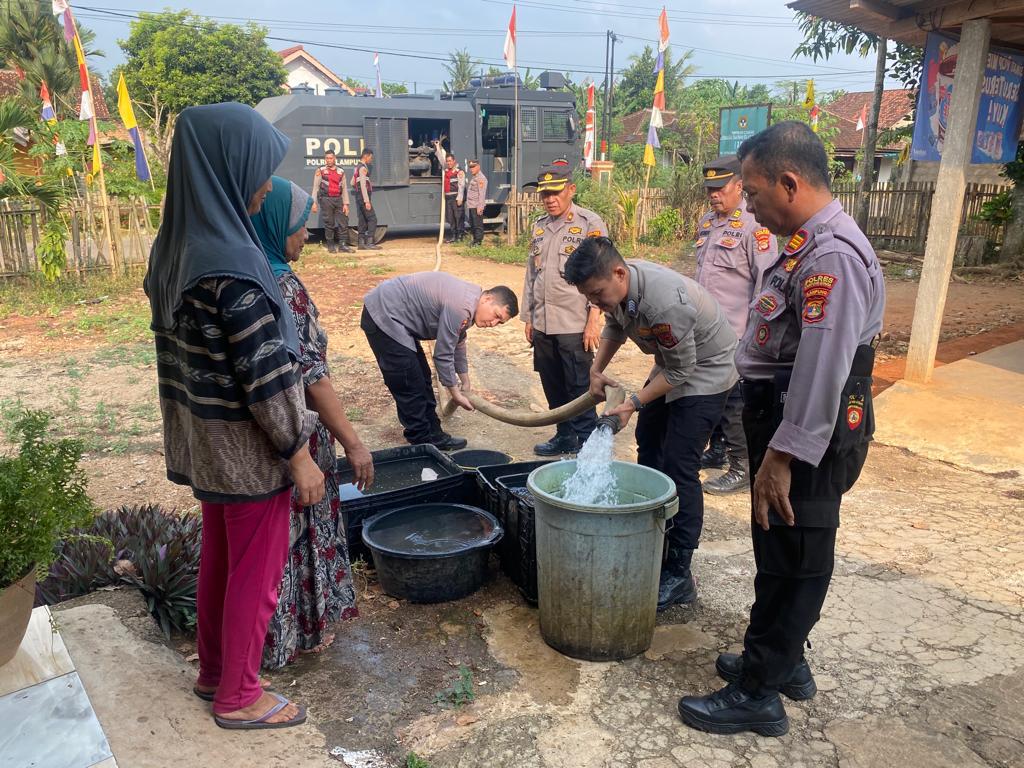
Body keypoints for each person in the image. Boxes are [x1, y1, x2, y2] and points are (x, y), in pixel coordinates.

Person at [676, 121, 884, 737]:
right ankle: (781, 660)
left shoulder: (832, 259)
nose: (751, 204)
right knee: (779, 550)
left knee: (798, 555)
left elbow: (823, 366)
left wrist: (783, 455)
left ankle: (759, 692)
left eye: (755, 191)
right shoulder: (806, 243)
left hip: (808, 427)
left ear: (789, 183)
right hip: (786, 415)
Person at [144, 102, 321, 730]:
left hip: (203, 445)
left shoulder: (173, 254)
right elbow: (266, 380)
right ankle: (240, 695)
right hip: (249, 453)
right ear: (224, 169)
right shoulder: (234, 270)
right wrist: (298, 453)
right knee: (257, 574)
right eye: (258, 171)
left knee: (221, 561)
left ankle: (214, 671)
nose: (267, 185)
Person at [563, 238, 738, 610]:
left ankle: (678, 572)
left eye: (597, 294)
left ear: (619, 273)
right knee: (649, 442)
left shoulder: (665, 301)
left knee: (680, 465)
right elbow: (614, 325)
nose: (596, 304)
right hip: (672, 362)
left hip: (706, 370)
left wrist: (633, 403)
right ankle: (656, 536)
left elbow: (682, 371)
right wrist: (596, 370)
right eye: (590, 299)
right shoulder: (619, 288)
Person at [251, 176, 374, 669]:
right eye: (299, 225)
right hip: (297, 433)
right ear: (275, 224)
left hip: (266, 436)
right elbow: (314, 379)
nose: (307, 234)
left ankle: (269, 638)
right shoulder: (284, 287)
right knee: (300, 529)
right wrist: (355, 443)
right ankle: (298, 635)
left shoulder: (250, 272)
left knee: (274, 542)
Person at [694, 155, 778, 494]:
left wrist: (755, 335)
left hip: (735, 332)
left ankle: (742, 466)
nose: (714, 195)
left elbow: (766, 282)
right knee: (711, 392)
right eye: (710, 189)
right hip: (705, 329)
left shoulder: (755, 227)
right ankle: (716, 451)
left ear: (739, 186)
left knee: (733, 402)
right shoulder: (706, 223)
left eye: (721, 188)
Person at [361, 272, 518, 450]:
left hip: (399, 319)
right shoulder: (461, 306)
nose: (493, 323)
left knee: (423, 376)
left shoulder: (470, 304)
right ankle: (422, 443)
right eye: (496, 315)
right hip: (383, 314)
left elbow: (458, 343)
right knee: (408, 381)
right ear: (487, 298)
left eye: (500, 322)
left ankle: (434, 434)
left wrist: (465, 380)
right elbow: (443, 355)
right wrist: (455, 393)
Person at [522, 159, 608, 456]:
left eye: (556, 192)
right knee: (553, 385)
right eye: (545, 194)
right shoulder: (539, 226)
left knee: (580, 387)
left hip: (574, 322)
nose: (550, 199)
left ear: (571, 189)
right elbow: (531, 274)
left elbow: (601, 275)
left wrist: (594, 318)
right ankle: (564, 435)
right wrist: (529, 316)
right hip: (544, 322)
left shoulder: (589, 224)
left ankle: (588, 446)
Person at [310, 150, 354, 254]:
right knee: (329, 223)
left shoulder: (341, 171)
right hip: (326, 200)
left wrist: (346, 204)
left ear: (335, 158)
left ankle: (343, 246)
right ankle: (331, 246)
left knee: (343, 222)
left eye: (331, 158)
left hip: (339, 199)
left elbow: (344, 188)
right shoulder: (320, 170)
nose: (329, 160)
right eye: (327, 158)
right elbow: (315, 187)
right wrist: (314, 202)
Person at [354, 148, 381, 250]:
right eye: (370, 157)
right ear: (366, 156)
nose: (371, 159)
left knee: (362, 220)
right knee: (372, 219)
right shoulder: (363, 168)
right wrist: (366, 201)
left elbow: (353, 182)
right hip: (363, 196)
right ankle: (370, 242)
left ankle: (361, 243)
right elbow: (363, 185)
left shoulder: (357, 167)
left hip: (359, 196)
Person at [443, 155, 466, 243]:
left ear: (454, 161)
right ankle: (454, 235)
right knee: (450, 217)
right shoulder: (446, 170)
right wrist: (437, 148)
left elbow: (461, 185)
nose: (448, 163)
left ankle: (460, 236)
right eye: (447, 161)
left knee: (458, 217)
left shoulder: (459, 171)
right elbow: (441, 159)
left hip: (456, 197)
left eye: (450, 161)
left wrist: (460, 198)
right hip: (448, 198)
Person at [465, 159, 487, 246]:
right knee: (473, 224)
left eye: (473, 167)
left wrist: (480, 207)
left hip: (476, 206)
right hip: (471, 205)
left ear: (478, 167)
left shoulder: (481, 178)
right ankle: (474, 240)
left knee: (478, 225)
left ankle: (478, 242)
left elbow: (482, 194)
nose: (471, 169)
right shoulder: (475, 177)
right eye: (470, 167)